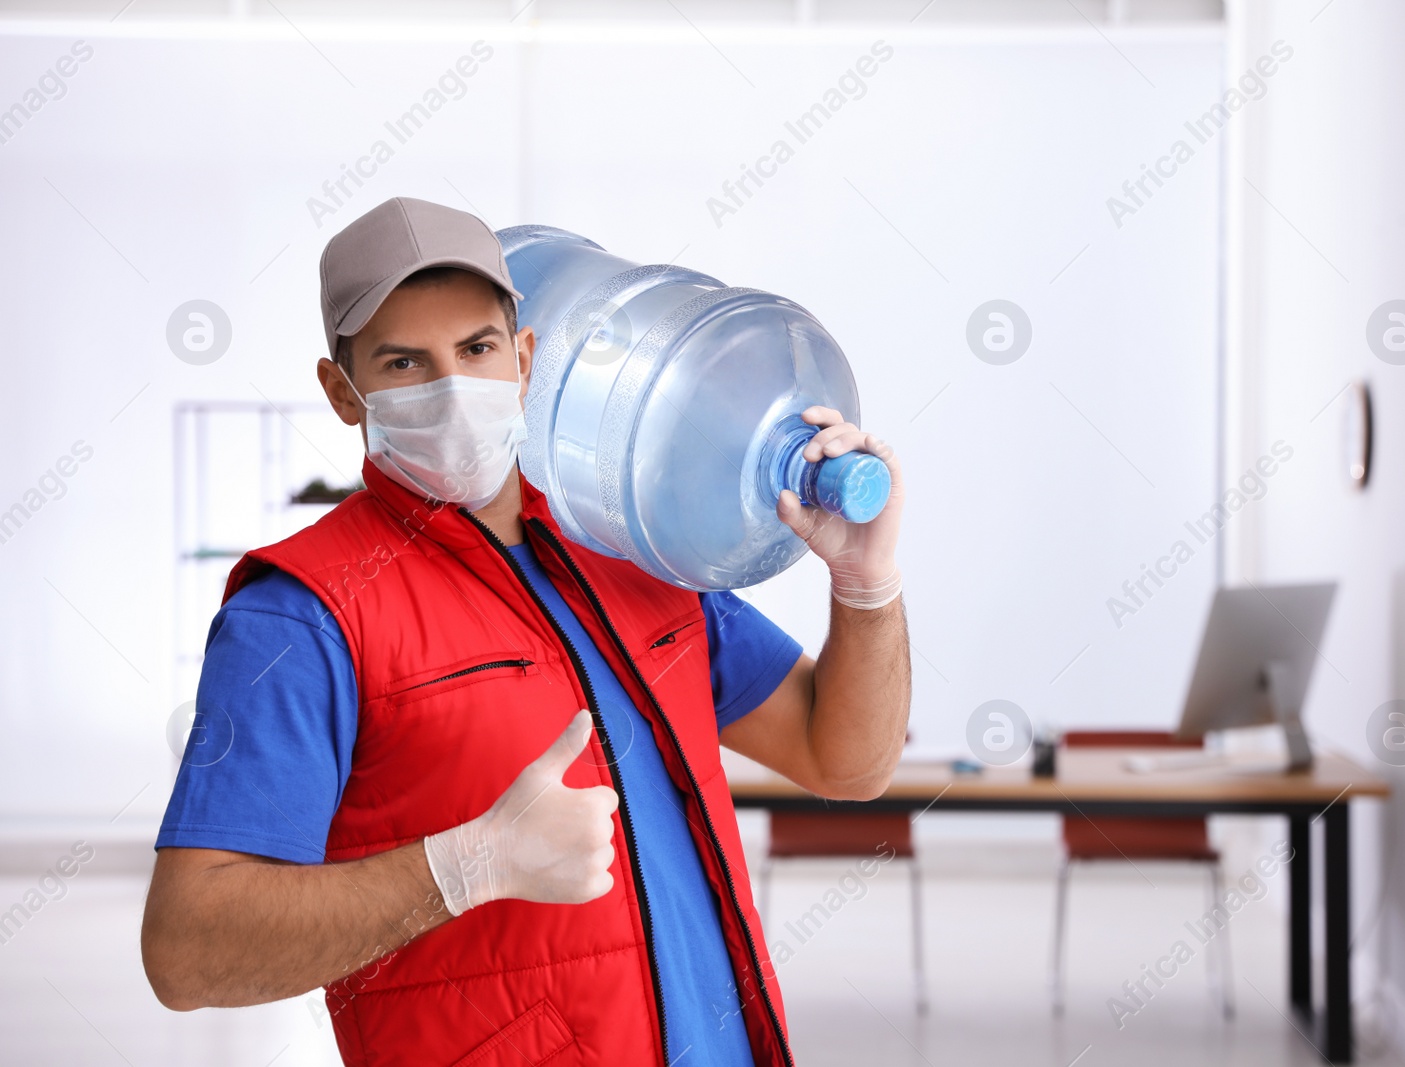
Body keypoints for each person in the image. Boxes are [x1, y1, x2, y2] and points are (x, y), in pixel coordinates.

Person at [139, 197, 910, 1067]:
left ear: (526, 357)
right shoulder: (303, 613)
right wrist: (464, 867)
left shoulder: (632, 549)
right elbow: (188, 950)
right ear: (341, 392)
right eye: (404, 362)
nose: (453, 387)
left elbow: (845, 758)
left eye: (476, 349)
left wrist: (865, 584)